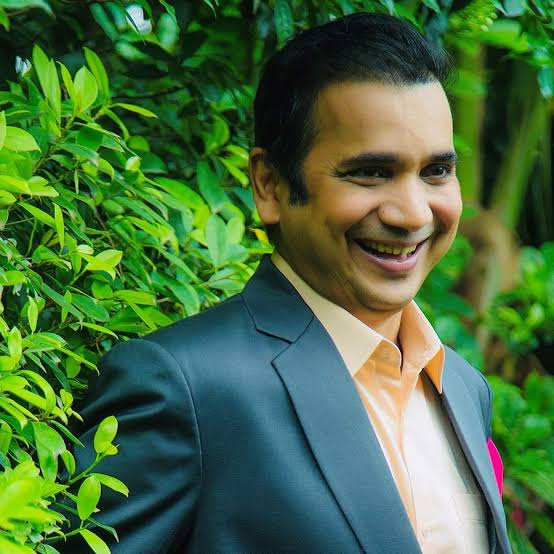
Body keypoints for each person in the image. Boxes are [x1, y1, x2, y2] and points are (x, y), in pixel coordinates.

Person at [63, 12, 511, 554]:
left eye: (436, 172)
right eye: (370, 172)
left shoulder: (462, 388)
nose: (413, 213)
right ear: (270, 185)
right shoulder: (186, 389)